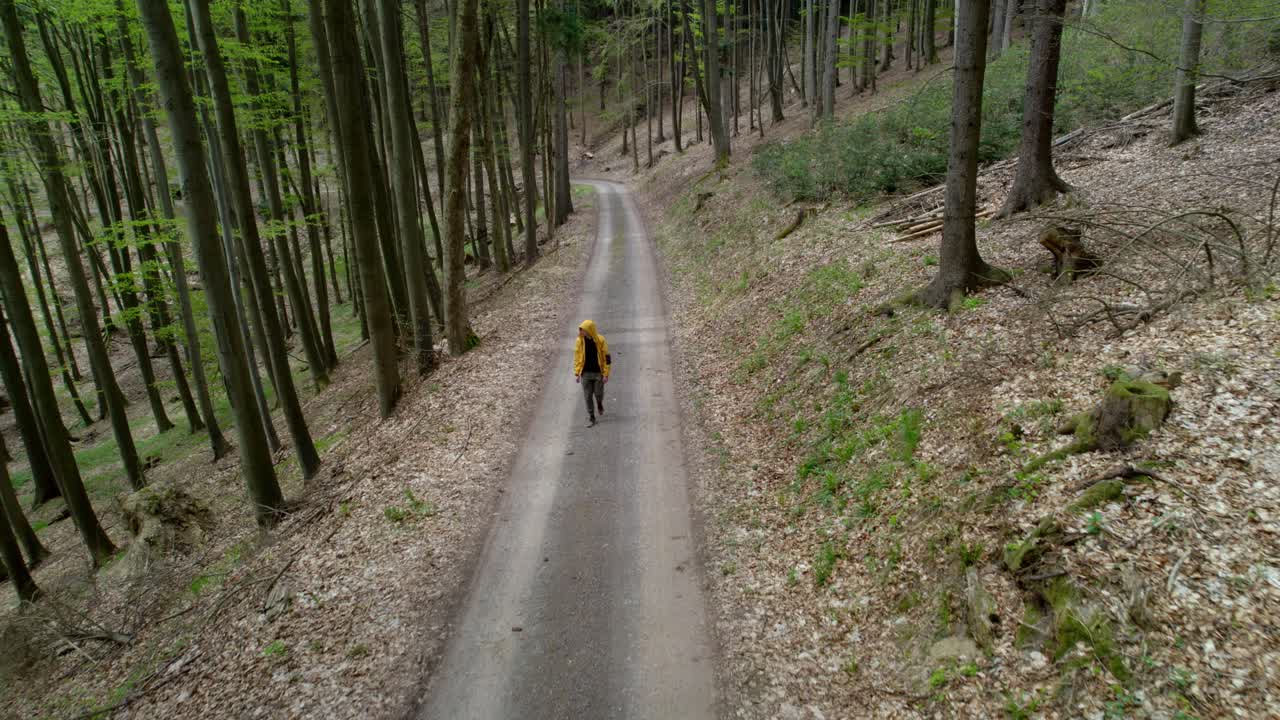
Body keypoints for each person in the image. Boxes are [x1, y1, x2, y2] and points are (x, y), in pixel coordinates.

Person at [573, 320, 611, 427]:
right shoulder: (579, 341)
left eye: (583, 330)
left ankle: (599, 403)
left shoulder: (600, 340)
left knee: (598, 394)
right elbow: (577, 357)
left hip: (598, 373)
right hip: (585, 374)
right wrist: (577, 372)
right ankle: (591, 416)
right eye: (580, 330)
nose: (581, 332)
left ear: (589, 330)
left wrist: (606, 374)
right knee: (587, 396)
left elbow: (607, 357)